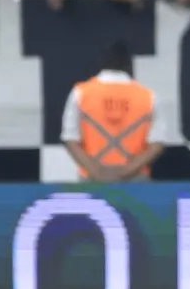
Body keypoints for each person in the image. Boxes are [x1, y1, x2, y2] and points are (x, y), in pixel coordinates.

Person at [60, 40, 167, 182]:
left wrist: (96, 172)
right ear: (129, 64)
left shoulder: (80, 93)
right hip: (136, 181)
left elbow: (70, 139)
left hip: (91, 179)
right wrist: (124, 172)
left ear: (102, 63)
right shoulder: (149, 97)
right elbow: (157, 144)